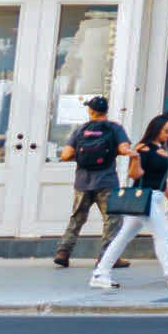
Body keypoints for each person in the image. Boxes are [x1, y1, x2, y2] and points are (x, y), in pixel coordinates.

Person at [90, 114, 168, 291]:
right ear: (156, 129)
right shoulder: (143, 148)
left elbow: (162, 177)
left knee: (123, 237)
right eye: (166, 130)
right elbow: (134, 175)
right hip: (145, 198)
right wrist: (136, 158)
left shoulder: (161, 148)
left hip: (154, 197)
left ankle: (101, 273)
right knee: (161, 235)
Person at [53, 95, 130, 271]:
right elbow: (123, 149)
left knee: (77, 218)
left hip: (82, 182)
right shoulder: (114, 128)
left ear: (91, 111)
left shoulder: (81, 130)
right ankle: (107, 257)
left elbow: (65, 155)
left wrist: (81, 156)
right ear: (106, 111)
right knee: (112, 220)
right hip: (107, 181)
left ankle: (63, 253)